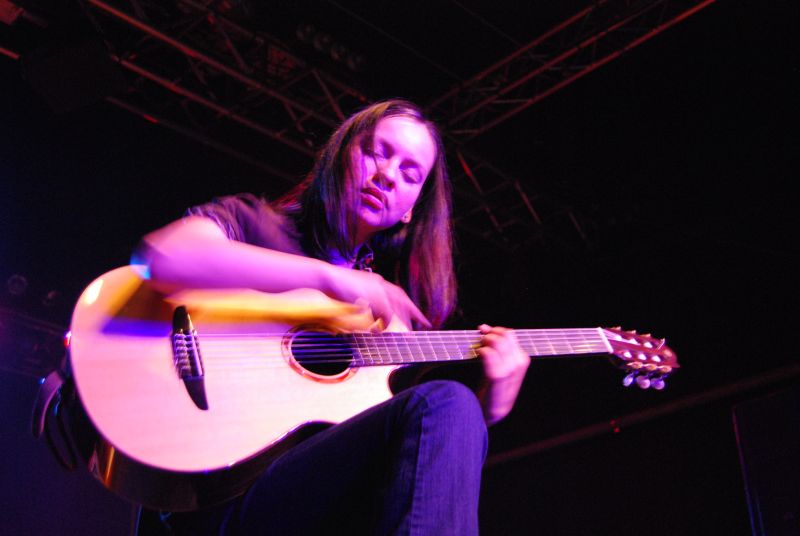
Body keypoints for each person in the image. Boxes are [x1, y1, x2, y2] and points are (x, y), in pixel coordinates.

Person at [136, 99, 530, 535]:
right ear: (342, 151)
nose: (387, 175)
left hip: (312, 508)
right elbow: (164, 258)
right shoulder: (257, 226)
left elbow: (417, 463)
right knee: (446, 401)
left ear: (410, 209)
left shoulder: (388, 320)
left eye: (409, 173)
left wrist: (488, 409)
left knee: (452, 406)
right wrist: (331, 280)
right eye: (378, 152)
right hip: (216, 494)